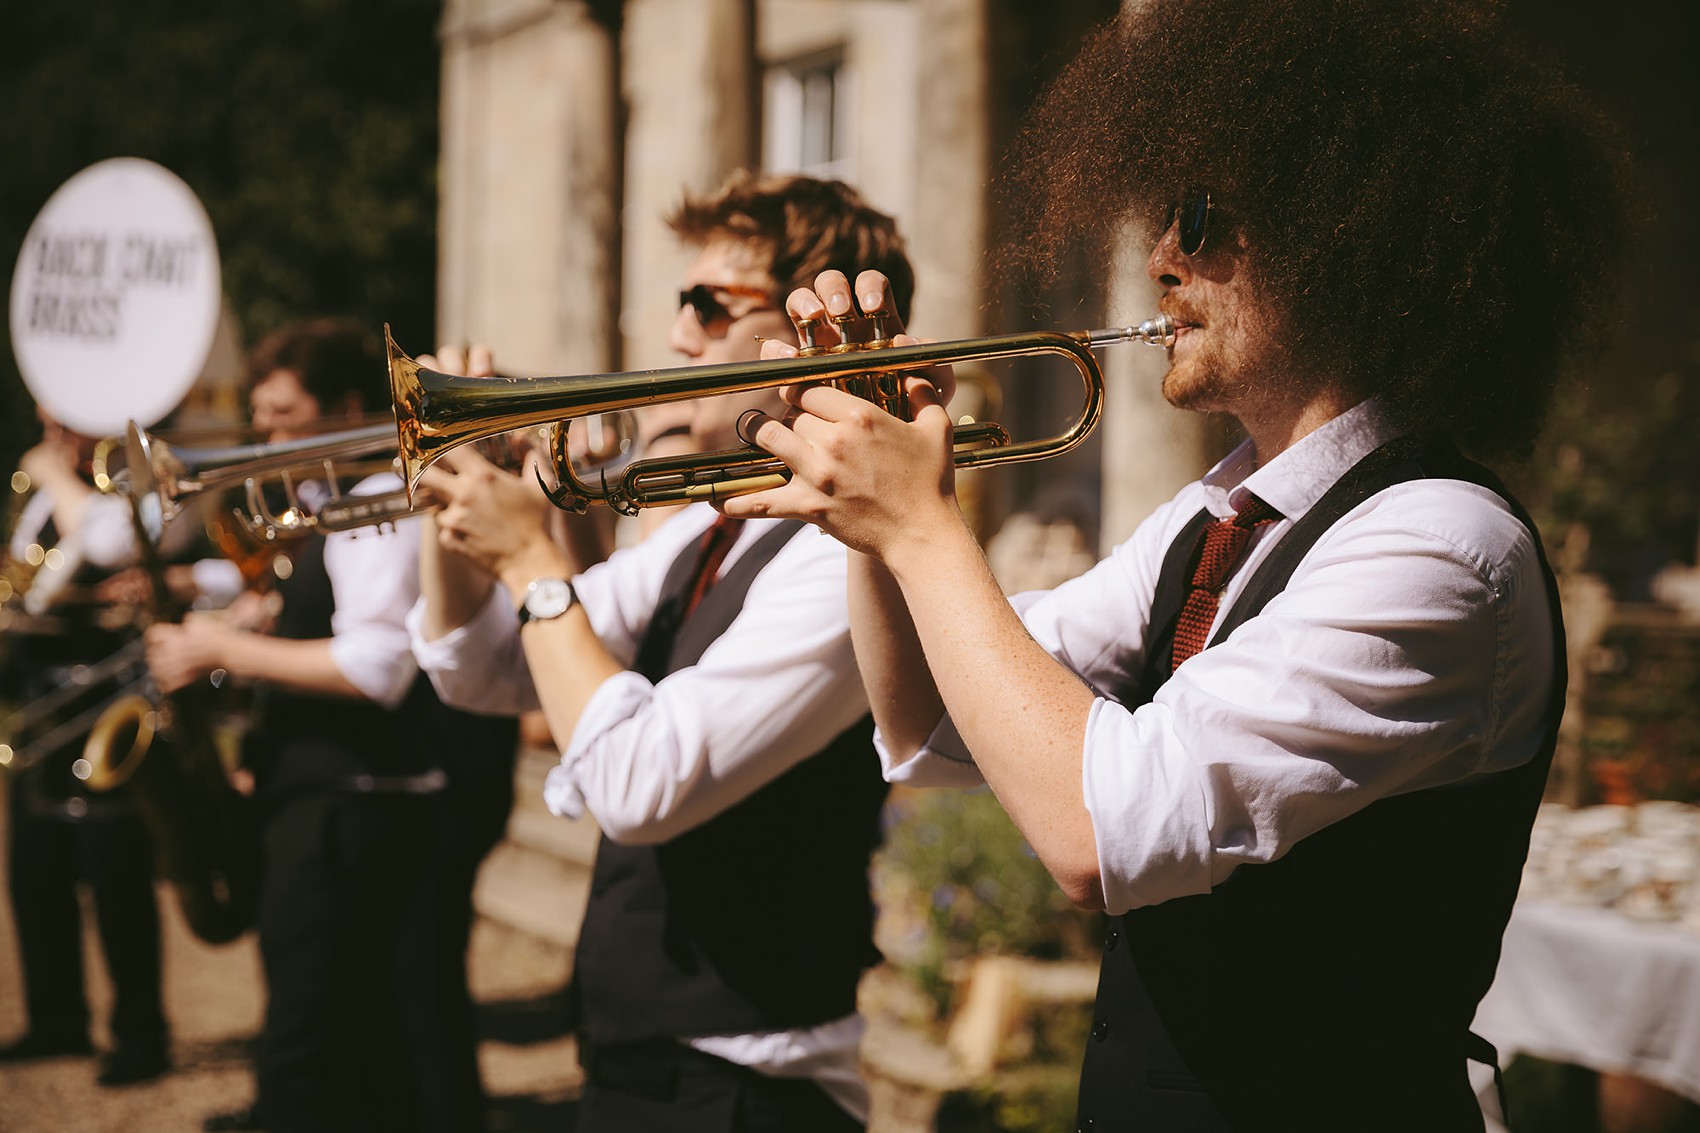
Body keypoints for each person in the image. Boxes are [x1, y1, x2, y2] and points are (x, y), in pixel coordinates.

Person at [721, 2, 1630, 1130]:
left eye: (1196, 218)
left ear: (1340, 226)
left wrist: (918, 526)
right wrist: (877, 521)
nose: (1156, 260)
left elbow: (1099, 830)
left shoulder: (1440, 545)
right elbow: (935, 731)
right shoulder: (1215, 517)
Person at [407, 171, 912, 1132]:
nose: (679, 335)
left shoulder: (844, 557)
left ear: (810, 325)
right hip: (645, 1055)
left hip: (749, 1086)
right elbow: (483, 671)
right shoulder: (702, 529)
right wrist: (455, 489)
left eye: (708, 303)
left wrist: (526, 554)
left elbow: (639, 783)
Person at [144, 318, 519, 1133]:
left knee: (317, 1041)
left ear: (347, 407)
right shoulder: (335, 503)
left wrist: (224, 646)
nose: (265, 432)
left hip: (357, 807)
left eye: (282, 412)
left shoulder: (375, 505)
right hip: (328, 795)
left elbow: (377, 668)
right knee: (367, 1034)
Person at [0, 410, 173, 1087]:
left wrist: (51, 474)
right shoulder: (47, 493)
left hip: (109, 700)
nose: (50, 430)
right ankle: (56, 1017)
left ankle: (140, 1029)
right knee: (35, 869)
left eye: (62, 418)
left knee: (115, 872)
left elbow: (107, 544)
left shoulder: (140, 485)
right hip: (45, 693)